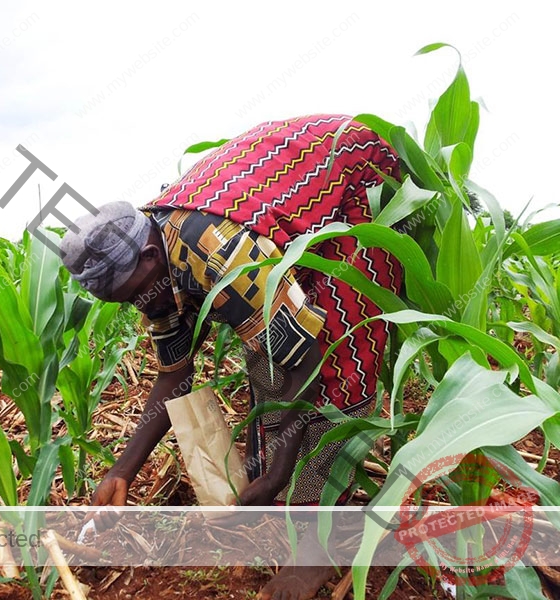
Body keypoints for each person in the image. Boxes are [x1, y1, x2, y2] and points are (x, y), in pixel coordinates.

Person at [59, 114, 402, 600]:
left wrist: (280, 468)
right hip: (278, 233)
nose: (140, 306)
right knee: (265, 357)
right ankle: (273, 491)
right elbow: (174, 374)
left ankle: (316, 550)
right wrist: (123, 469)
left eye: (135, 294)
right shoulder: (155, 275)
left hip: (352, 186)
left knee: (338, 368)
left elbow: (307, 359)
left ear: (151, 259)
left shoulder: (212, 251)